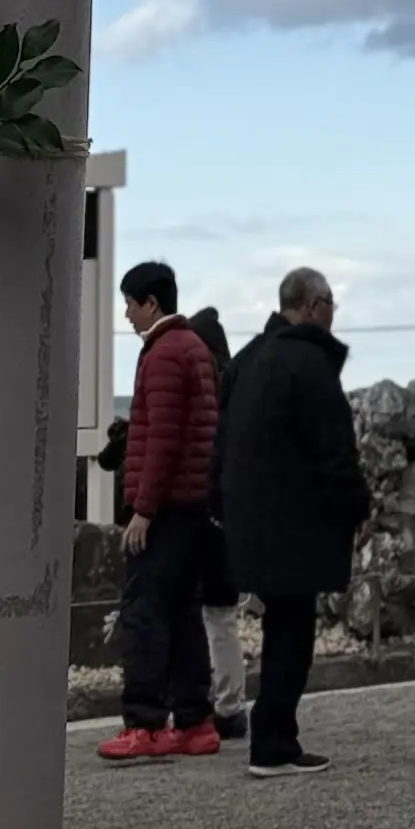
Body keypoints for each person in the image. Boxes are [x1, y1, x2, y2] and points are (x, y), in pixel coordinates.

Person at [218, 263, 373, 779]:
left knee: (280, 630)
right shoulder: (308, 363)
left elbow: (224, 444)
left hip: (253, 522)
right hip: (295, 525)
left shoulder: (250, 358)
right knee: (292, 635)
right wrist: (358, 508)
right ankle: (274, 743)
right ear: (312, 306)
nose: (333, 315)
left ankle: (273, 737)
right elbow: (335, 452)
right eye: (330, 304)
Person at [98, 259, 222, 762]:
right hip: (192, 506)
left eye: (130, 302)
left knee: (145, 611)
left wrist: (142, 510)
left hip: (165, 509)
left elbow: (163, 440)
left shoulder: (165, 353)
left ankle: (144, 723)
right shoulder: (193, 347)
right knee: (183, 611)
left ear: (152, 303)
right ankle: (195, 721)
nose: (126, 314)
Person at [187, 302, 250, 740]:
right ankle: (229, 705)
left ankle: (226, 705)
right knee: (221, 615)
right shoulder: (239, 392)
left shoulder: (215, 397)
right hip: (232, 521)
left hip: (214, 519)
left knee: (215, 614)